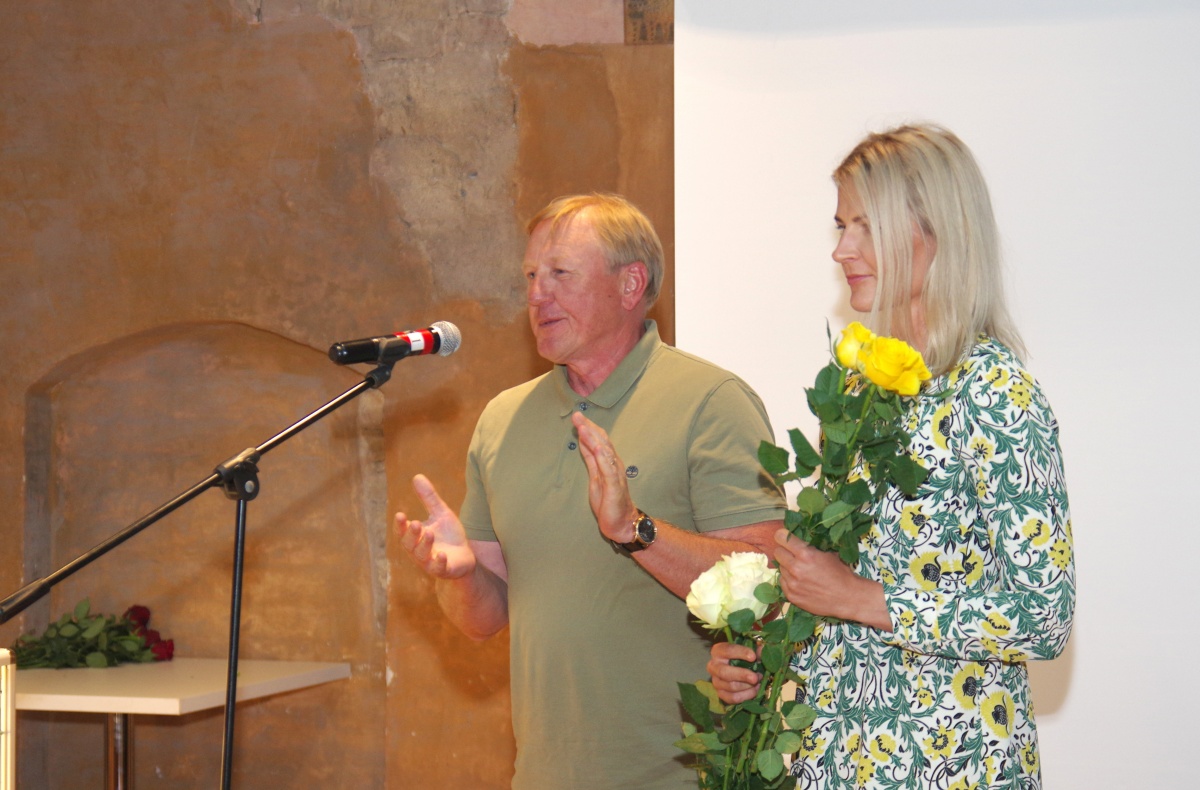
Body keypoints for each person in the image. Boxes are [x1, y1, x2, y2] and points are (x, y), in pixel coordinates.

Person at [708, 125, 1076, 789]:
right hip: (838, 759)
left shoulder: (993, 391)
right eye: (841, 226)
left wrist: (861, 598)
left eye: (866, 227)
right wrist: (764, 656)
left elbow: (1044, 617)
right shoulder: (858, 391)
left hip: (950, 766)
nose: (842, 249)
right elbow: (844, 582)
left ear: (939, 233)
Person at [396, 193, 786, 789]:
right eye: (531, 275)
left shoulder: (710, 401)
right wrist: (460, 576)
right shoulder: (503, 419)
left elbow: (766, 584)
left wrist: (635, 530)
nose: (536, 295)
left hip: (685, 778)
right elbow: (482, 621)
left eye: (560, 273)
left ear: (630, 285)